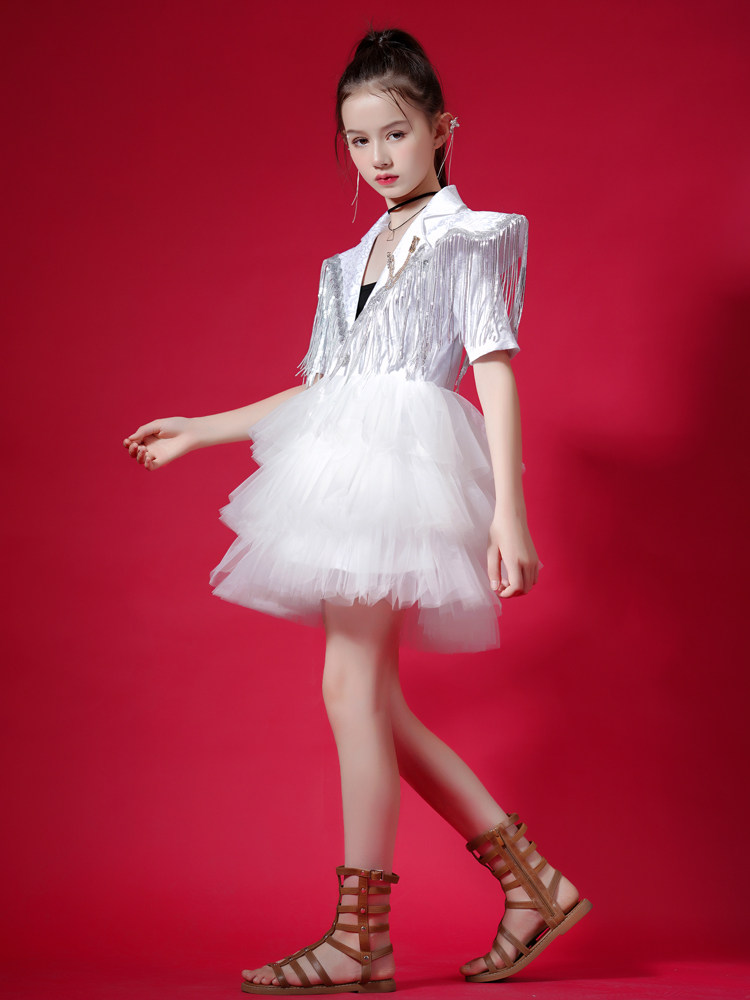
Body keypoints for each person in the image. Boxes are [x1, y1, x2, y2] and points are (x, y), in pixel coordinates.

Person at [123, 26, 591, 995]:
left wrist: (510, 512)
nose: (378, 157)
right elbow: (322, 389)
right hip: (348, 469)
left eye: (397, 133)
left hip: (406, 471)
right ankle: (530, 884)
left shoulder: (470, 238)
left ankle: (362, 939)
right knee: (369, 698)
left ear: (442, 130)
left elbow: (494, 365)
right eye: (359, 139)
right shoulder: (344, 266)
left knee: (350, 691)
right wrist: (201, 429)